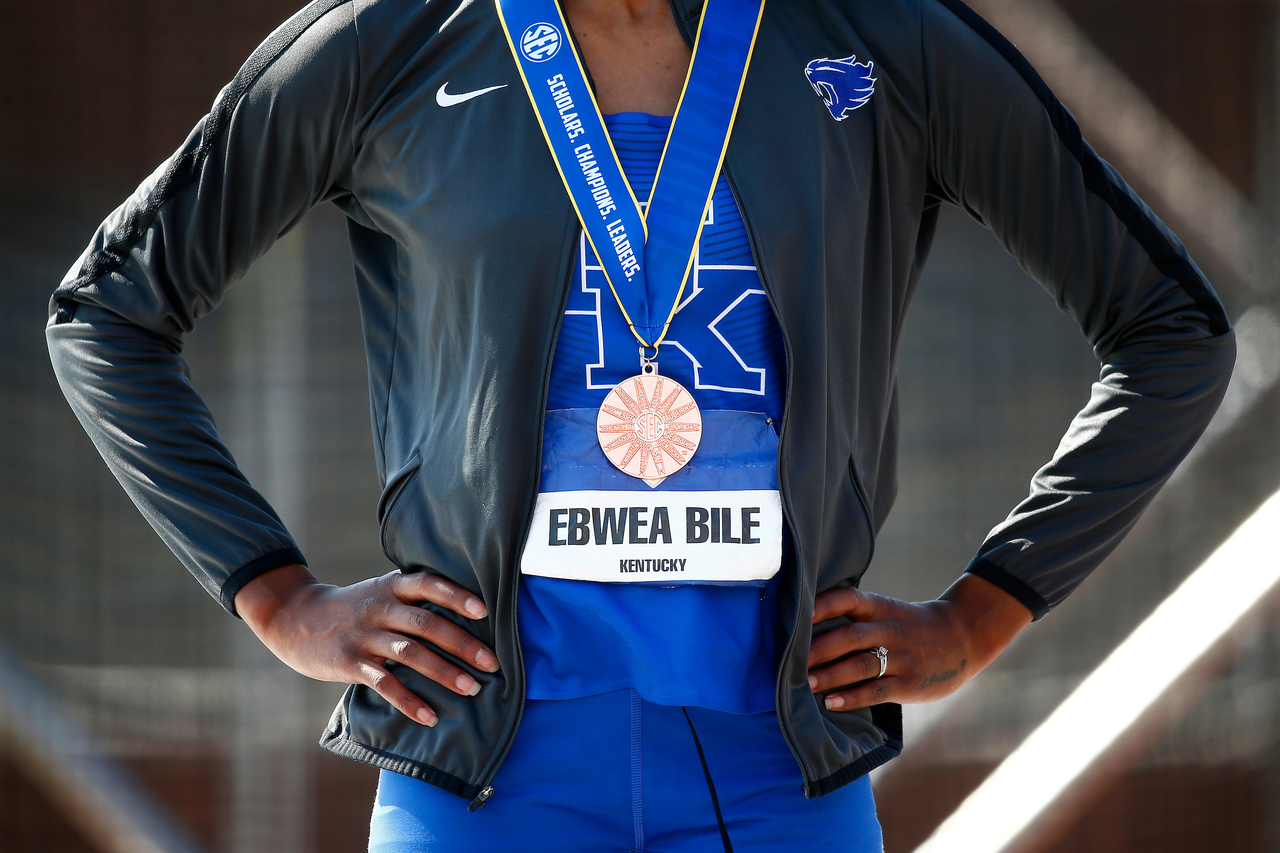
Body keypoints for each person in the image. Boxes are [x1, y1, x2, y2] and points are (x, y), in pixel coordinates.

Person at [46, 0, 1234, 848]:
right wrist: (277, 595)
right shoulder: (386, 40)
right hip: (479, 777)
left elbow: (1171, 333)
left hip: (778, 778)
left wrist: (984, 613)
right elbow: (106, 314)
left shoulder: (882, 37)